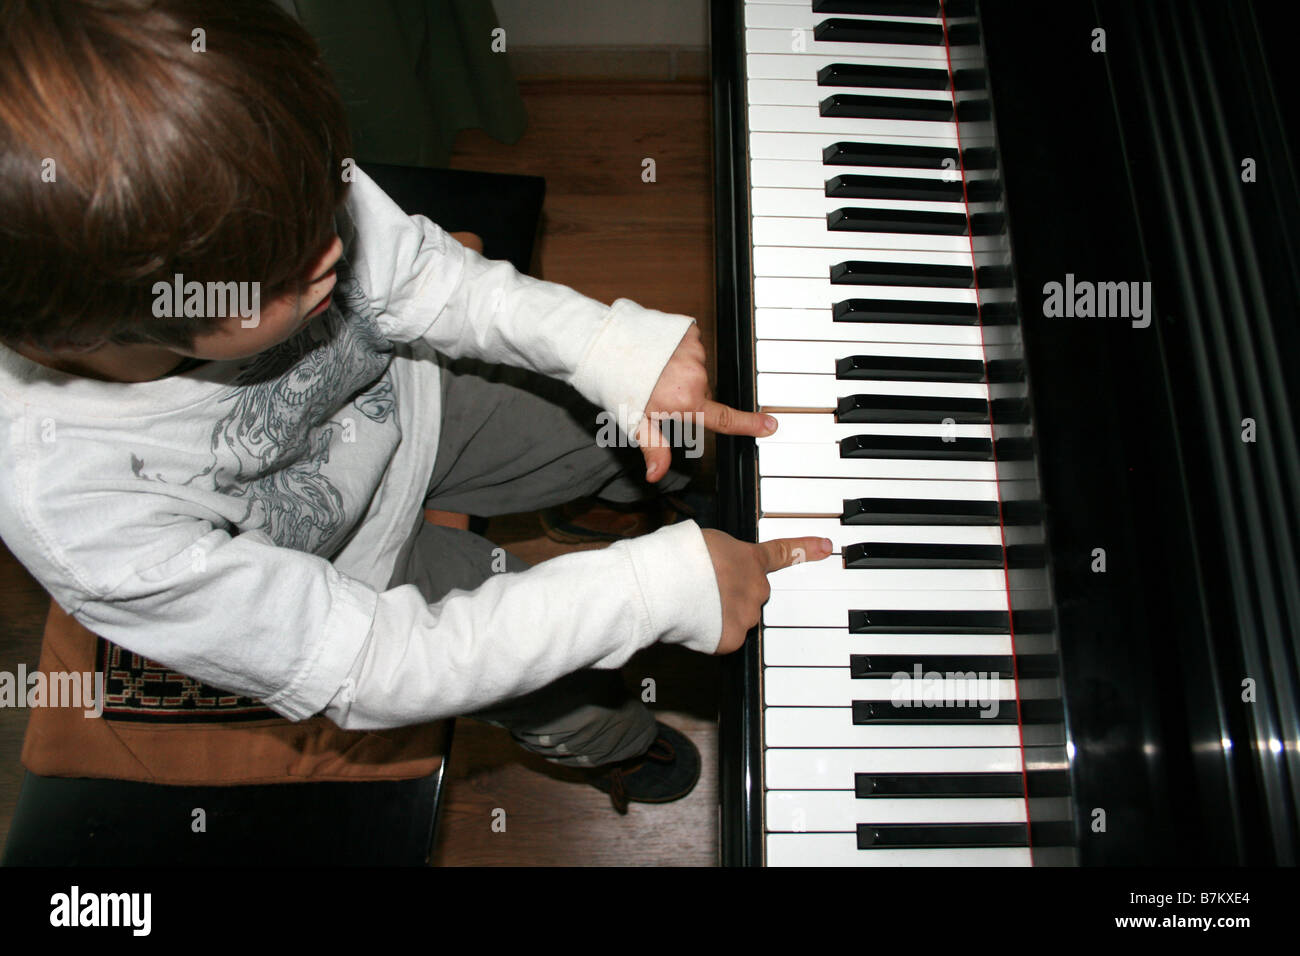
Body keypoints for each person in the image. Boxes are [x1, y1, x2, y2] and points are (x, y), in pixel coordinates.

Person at [0, 0, 830, 814]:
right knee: (560, 687)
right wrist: (649, 593)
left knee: (635, 430)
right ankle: (615, 742)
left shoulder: (253, 178)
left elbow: (423, 278)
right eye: (287, 267)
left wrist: (599, 345)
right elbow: (378, 664)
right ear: (105, 319)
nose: (336, 245)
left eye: (327, 191)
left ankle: (615, 509)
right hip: (354, 571)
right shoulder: (74, 505)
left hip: (411, 394)